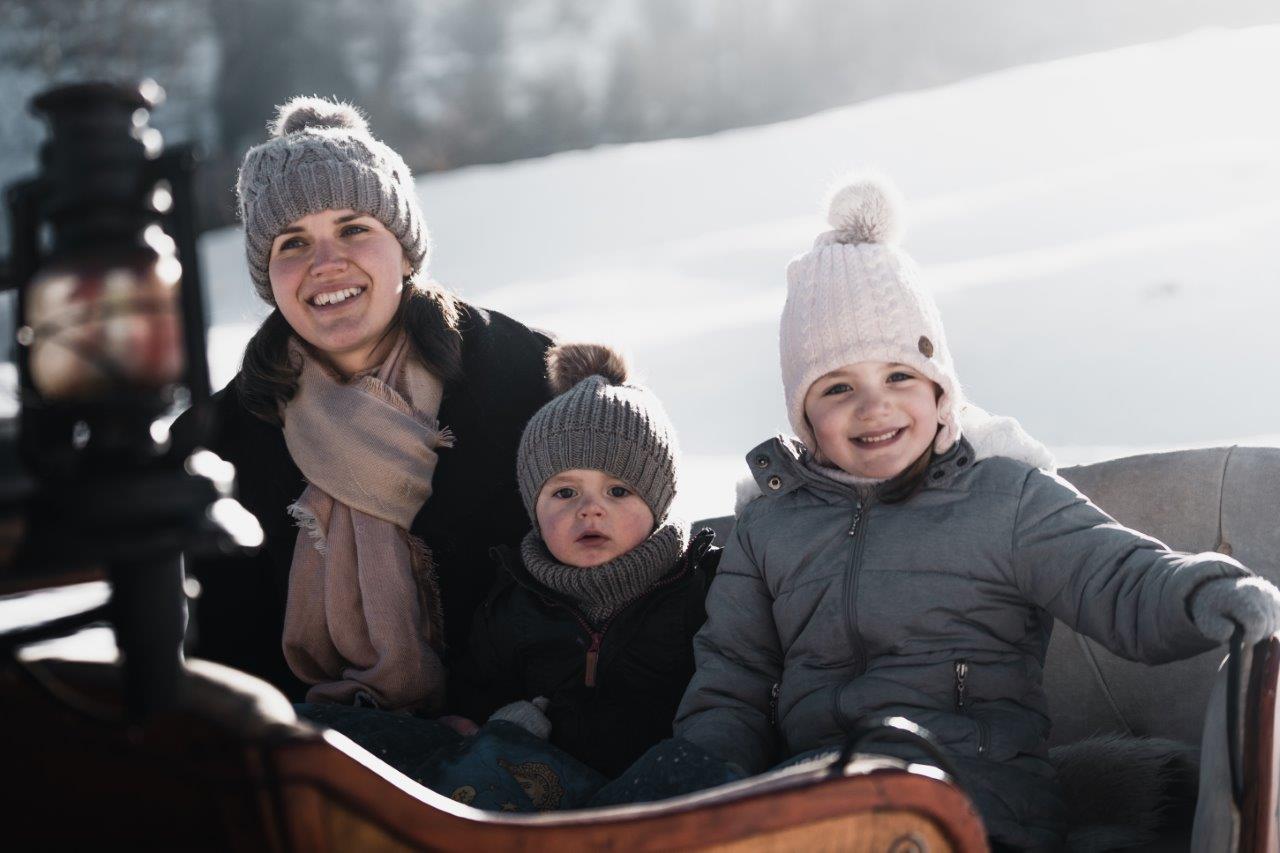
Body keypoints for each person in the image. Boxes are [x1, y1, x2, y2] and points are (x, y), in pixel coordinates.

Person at [668, 175, 1280, 849]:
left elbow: (1118, 575)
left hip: (975, 797)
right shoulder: (770, 527)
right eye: (838, 387)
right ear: (804, 417)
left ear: (941, 393)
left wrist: (1206, 589)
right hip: (820, 799)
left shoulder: (1003, 498)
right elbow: (732, 677)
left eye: (900, 376)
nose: (875, 406)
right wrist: (702, 793)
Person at [176, 96, 553, 713]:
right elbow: (223, 659)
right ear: (267, 276)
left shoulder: (527, 377)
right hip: (315, 764)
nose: (326, 265)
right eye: (292, 243)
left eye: (354, 229)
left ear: (405, 251)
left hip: (528, 747)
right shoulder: (220, 444)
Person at [449, 342, 721, 779]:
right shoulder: (510, 604)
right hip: (547, 803)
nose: (590, 510)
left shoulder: (701, 588)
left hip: (668, 798)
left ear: (659, 501)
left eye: (618, 491)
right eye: (564, 492)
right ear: (532, 508)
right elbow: (473, 694)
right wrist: (489, 727)